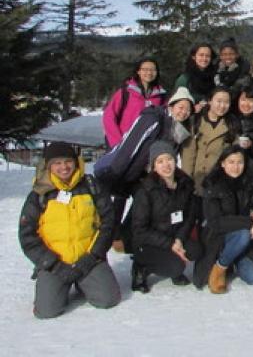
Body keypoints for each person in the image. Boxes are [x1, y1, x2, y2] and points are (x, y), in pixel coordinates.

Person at [19, 142, 120, 319]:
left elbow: (108, 222)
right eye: (57, 163)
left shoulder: (90, 186)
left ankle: (83, 282)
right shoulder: (39, 194)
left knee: (108, 299)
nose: (64, 167)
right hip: (56, 263)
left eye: (68, 161)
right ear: (49, 166)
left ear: (76, 162)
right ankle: (55, 287)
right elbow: (27, 236)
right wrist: (53, 264)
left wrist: (93, 256)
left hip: (88, 258)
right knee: (47, 312)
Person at [95, 87, 195, 253]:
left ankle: (125, 240)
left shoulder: (179, 129)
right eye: (181, 107)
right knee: (116, 206)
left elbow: (171, 155)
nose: (184, 112)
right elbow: (131, 145)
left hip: (145, 174)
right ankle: (108, 243)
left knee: (141, 206)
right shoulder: (154, 118)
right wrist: (117, 171)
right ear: (171, 106)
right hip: (128, 167)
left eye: (188, 109)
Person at [130, 141, 202, 292]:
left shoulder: (185, 184)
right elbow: (140, 230)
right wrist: (170, 244)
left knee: (196, 250)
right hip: (149, 242)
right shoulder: (146, 191)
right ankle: (141, 268)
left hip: (175, 236)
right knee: (175, 266)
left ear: (175, 161)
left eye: (169, 159)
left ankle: (172, 262)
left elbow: (190, 216)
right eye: (160, 161)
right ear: (153, 166)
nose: (166, 165)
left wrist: (179, 239)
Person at [193, 146, 253, 293]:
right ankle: (219, 268)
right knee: (244, 233)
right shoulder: (212, 184)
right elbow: (215, 221)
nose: (236, 167)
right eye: (231, 162)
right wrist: (248, 222)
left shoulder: (249, 181)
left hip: (241, 241)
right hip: (218, 239)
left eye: (240, 162)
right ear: (222, 163)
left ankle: (234, 258)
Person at [180, 86, 237, 196]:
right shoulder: (196, 121)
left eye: (226, 102)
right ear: (210, 101)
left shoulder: (232, 124)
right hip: (198, 178)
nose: (222, 106)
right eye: (219, 101)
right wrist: (187, 181)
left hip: (219, 183)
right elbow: (188, 155)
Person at [102, 57, 167, 148]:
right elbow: (109, 116)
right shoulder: (126, 91)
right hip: (124, 143)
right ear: (138, 71)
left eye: (153, 70)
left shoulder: (160, 95)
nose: (149, 73)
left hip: (147, 146)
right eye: (145, 69)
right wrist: (117, 142)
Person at [173, 43, 217, 112]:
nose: (204, 58)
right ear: (194, 57)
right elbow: (176, 104)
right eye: (201, 55)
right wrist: (192, 109)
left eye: (207, 56)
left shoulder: (214, 77)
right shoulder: (184, 79)